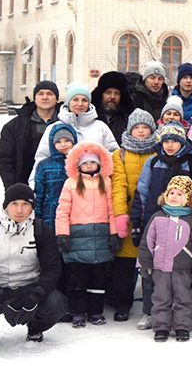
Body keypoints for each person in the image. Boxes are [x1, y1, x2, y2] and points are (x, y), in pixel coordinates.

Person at [131, 121, 192, 329]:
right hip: (155, 221)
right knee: (153, 271)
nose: (170, 145)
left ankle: (182, 313)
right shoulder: (153, 162)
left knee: (182, 274)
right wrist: (138, 222)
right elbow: (142, 192)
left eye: (175, 141)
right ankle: (150, 311)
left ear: (182, 142)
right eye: (166, 141)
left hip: (184, 224)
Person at [0, 184, 66, 349]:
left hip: (29, 288)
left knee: (57, 302)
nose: (19, 210)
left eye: (25, 204)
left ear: (32, 207)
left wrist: (35, 295)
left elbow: (52, 269)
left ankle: (35, 327)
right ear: (6, 206)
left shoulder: (41, 231)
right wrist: (0, 299)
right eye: (14, 204)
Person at [55, 141, 119, 328]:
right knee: (78, 280)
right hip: (78, 238)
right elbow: (62, 211)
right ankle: (77, 312)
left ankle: (95, 311)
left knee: (98, 279)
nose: (89, 166)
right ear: (78, 165)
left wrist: (114, 234)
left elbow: (112, 211)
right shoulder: (71, 183)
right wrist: (63, 235)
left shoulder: (106, 182)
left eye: (93, 162)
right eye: (85, 163)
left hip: (100, 237)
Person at [138, 175, 192, 342]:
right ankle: (161, 326)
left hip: (182, 267)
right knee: (161, 297)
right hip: (160, 268)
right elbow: (147, 241)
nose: (174, 197)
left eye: (179, 194)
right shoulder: (157, 217)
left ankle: (182, 326)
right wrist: (144, 263)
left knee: (183, 298)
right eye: (171, 193)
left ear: (187, 198)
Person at [110, 108, 158, 321]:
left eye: (145, 128)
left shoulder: (158, 152)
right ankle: (122, 304)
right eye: (137, 128)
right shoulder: (119, 154)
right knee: (125, 266)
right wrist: (120, 215)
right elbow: (118, 186)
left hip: (152, 215)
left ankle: (155, 305)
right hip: (129, 214)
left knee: (152, 263)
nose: (140, 132)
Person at [33, 81, 119, 174]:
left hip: (94, 184)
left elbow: (114, 155)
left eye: (84, 100)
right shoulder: (54, 128)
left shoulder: (101, 127)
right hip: (61, 184)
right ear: (69, 102)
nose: (80, 104)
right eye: (75, 99)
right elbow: (41, 158)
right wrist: (34, 184)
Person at [0, 80, 60, 188]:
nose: (45, 97)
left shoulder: (66, 123)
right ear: (35, 98)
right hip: (25, 185)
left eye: (50, 93)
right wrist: (13, 187)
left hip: (60, 188)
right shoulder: (14, 127)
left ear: (56, 98)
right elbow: (6, 159)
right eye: (40, 94)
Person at [32, 123, 77, 230]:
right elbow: (39, 194)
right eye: (58, 142)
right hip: (50, 214)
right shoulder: (44, 165)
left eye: (67, 140)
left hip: (76, 215)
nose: (63, 145)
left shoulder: (80, 163)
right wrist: (36, 218)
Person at [91, 71, 134, 141]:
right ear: (101, 94)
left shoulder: (129, 120)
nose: (112, 97)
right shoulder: (91, 117)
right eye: (108, 92)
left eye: (117, 93)